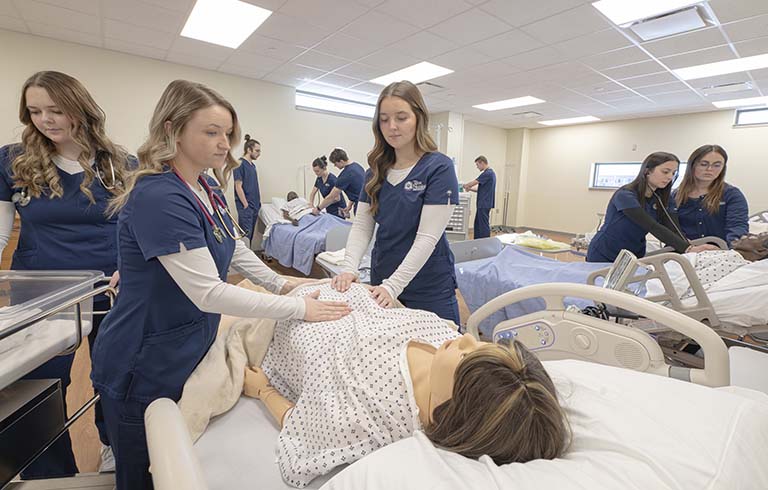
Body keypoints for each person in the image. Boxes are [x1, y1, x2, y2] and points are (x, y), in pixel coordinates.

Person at [90, 80, 351, 490]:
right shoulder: (159, 195)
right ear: (173, 130)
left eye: (227, 133)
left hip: (187, 343)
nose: (223, 144)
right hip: (144, 355)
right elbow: (208, 291)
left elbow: (234, 247)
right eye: (211, 132)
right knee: (143, 471)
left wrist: (284, 285)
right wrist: (301, 308)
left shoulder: (206, 185)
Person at [243, 283, 570, 488]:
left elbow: (306, 430)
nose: (468, 337)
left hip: (308, 326)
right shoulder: (449, 343)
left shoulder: (368, 416)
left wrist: (264, 391)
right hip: (349, 297)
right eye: (482, 345)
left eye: (469, 354)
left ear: (453, 407)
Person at [0, 70, 132, 478]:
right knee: (39, 385)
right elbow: (1, 227)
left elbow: (134, 227)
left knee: (113, 376)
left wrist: (131, 270)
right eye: (35, 111)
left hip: (109, 288)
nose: (46, 120)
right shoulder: (12, 161)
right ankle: (48, 471)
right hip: (44, 290)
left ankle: (112, 446)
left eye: (57, 110)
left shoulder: (121, 163)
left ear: (82, 109)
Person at [330, 81, 461, 323]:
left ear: (418, 118)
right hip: (384, 277)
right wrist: (349, 268)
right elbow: (362, 226)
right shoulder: (376, 171)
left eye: (401, 117)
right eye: (384, 119)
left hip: (427, 285)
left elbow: (427, 238)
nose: (392, 127)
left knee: (439, 354)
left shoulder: (439, 168)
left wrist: (394, 286)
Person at [587, 151, 718, 263]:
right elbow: (651, 226)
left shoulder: (664, 199)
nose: (669, 177)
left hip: (634, 251)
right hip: (606, 250)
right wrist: (687, 248)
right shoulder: (625, 195)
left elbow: (673, 227)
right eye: (665, 172)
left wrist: (689, 245)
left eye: (673, 173)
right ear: (647, 171)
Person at [672, 145, 748, 247]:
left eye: (717, 165)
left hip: (721, 252)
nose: (709, 169)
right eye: (703, 164)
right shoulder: (675, 196)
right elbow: (671, 229)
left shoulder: (732, 195)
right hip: (685, 252)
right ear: (692, 165)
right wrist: (686, 246)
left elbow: (737, 227)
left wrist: (728, 249)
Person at [313, 147, 364, 218]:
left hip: (361, 206)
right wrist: (349, 206)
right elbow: (357, 189)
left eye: (335, 163)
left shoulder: (345, 175)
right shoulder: (357, 167)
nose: (335, 166)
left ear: (341, 161)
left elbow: (332, 197)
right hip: (367, 202)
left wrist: (318, 209)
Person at [233, 135, 261, 242]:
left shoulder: (252, 166)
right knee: (245, 237)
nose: (259, 154)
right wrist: (245, 205)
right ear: (249, 150)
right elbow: (238, 186)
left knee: (250, 237)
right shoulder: (239, 164)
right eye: (257, 151)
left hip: (254, 206)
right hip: (246, 207)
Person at [462, 155, 496, 239]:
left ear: (482, 163)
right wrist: (469, 189)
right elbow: (480, 189)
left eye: (477, 165)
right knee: (478, 223)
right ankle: (477, 240)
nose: (477, 167)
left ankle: (484, 242)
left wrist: (465, 185)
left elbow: (475, 182)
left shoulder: (488, 173)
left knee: (483, 224)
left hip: (484, 203)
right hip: (484, 203)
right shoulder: (490, 174)